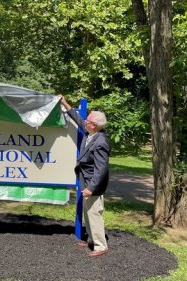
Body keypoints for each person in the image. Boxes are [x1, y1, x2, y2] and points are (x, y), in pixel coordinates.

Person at [59, 95, 110, 257]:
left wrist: (91, 188)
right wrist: (65, 104)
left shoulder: (101, 142)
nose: (85, 121)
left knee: (94, 214)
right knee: (88, 213)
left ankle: (101, 246)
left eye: (88, 120)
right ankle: (91, 240)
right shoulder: (91, 133)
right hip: (85, 180)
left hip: (93, 184)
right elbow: (78, 119)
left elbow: (101, 169)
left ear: (94, 125)